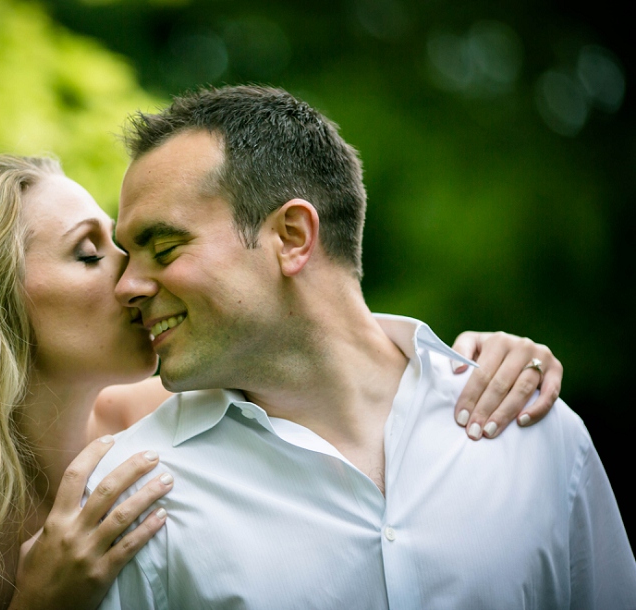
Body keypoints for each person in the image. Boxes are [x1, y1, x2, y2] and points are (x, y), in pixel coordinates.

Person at [0, 153, 563, 610]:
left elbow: (322, 351)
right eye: (93, 254)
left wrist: (466, 355)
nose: (138, 280)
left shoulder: (172, 425)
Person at [89, 85, 636, 609]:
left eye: (163, 247)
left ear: (292, 237)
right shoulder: (131, 493)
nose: (126, 287)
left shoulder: (534, 429)